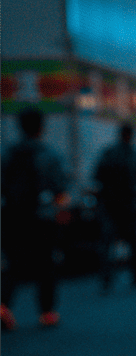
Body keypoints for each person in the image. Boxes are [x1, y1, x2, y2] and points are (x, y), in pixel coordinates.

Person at [1, 107, 69, 329]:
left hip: (12, 216)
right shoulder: (47, 154)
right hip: (41, 217)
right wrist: (61, 208)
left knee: (13, 264)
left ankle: (3, 306)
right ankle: (47, 312)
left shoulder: (8, 154)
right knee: (46, 264)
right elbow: (60, 187)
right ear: (41, 126)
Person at [94, 124, 136, 290]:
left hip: (109, 204)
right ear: (131, 136)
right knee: (133, 243)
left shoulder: (109, 153)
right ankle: (135, 277)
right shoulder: (135, 155)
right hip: (129, 204)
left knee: (107, 244)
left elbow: (97, 175)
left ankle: (106, 278)